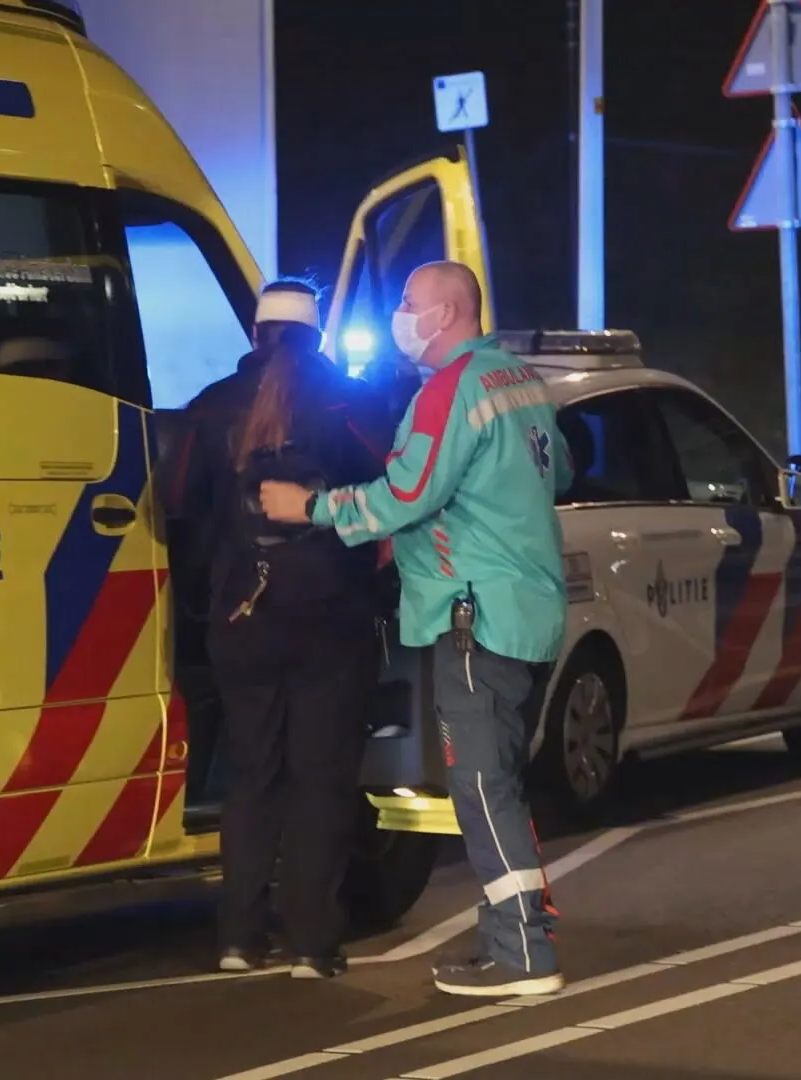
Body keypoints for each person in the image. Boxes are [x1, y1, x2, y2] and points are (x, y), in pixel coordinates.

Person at [259, 261, 575, 998]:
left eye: (408, 301)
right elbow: (557, 472)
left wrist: (310, 508)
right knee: (501, 782)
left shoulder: (451, 390)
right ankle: (513, 936)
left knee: (482, 786)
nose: (399, 313)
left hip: (475, 613)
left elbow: (405, 494)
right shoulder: (520, 381)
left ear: (448, 312)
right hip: (528, 608)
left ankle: (523, 953)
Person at [161, 279, 395, 979]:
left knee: (252, 772)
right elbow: (395, 494)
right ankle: (312, 944)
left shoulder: (212, 406)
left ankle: (239, 937)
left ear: (256, 334)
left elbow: (176, 500)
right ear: (317, 335)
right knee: (320, 779)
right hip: (332, 614)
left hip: (242, 615)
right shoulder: (351, 402)